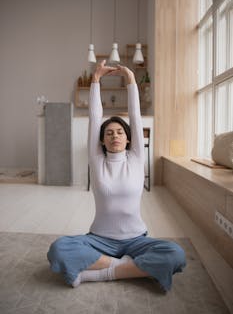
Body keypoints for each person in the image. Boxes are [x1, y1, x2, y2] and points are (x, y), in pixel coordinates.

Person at [47, 60, 186, 291]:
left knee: (176, 254)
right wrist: (95, 80)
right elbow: (95, 116)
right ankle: (131, 268)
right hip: (99, 239)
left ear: (129, 138)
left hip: (137, 239)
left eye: (120, 132)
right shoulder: (97, 160)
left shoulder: (136, 158)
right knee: (58, 249)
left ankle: (102, 273)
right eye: (109, 133)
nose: (115, 136)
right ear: (102, 140)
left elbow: (135, 115)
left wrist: (131, 80)